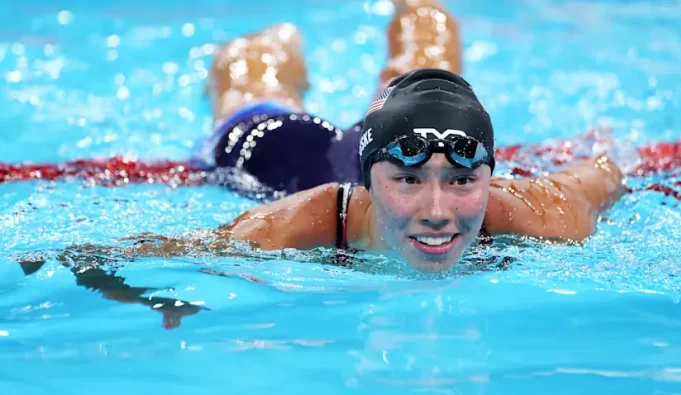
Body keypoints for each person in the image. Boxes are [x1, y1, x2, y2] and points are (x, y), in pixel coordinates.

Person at [124, 0, 626, 272]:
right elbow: (147, 253)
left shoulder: (542, 211)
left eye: (461, 180)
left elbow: (605, 172)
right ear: (368, 179)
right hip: (291, 157)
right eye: (409, 180)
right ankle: (266, 46)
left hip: (389, 139)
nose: (437, 210)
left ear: (489, 174)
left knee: (427, 47)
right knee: (250, 76)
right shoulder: (288, 224)